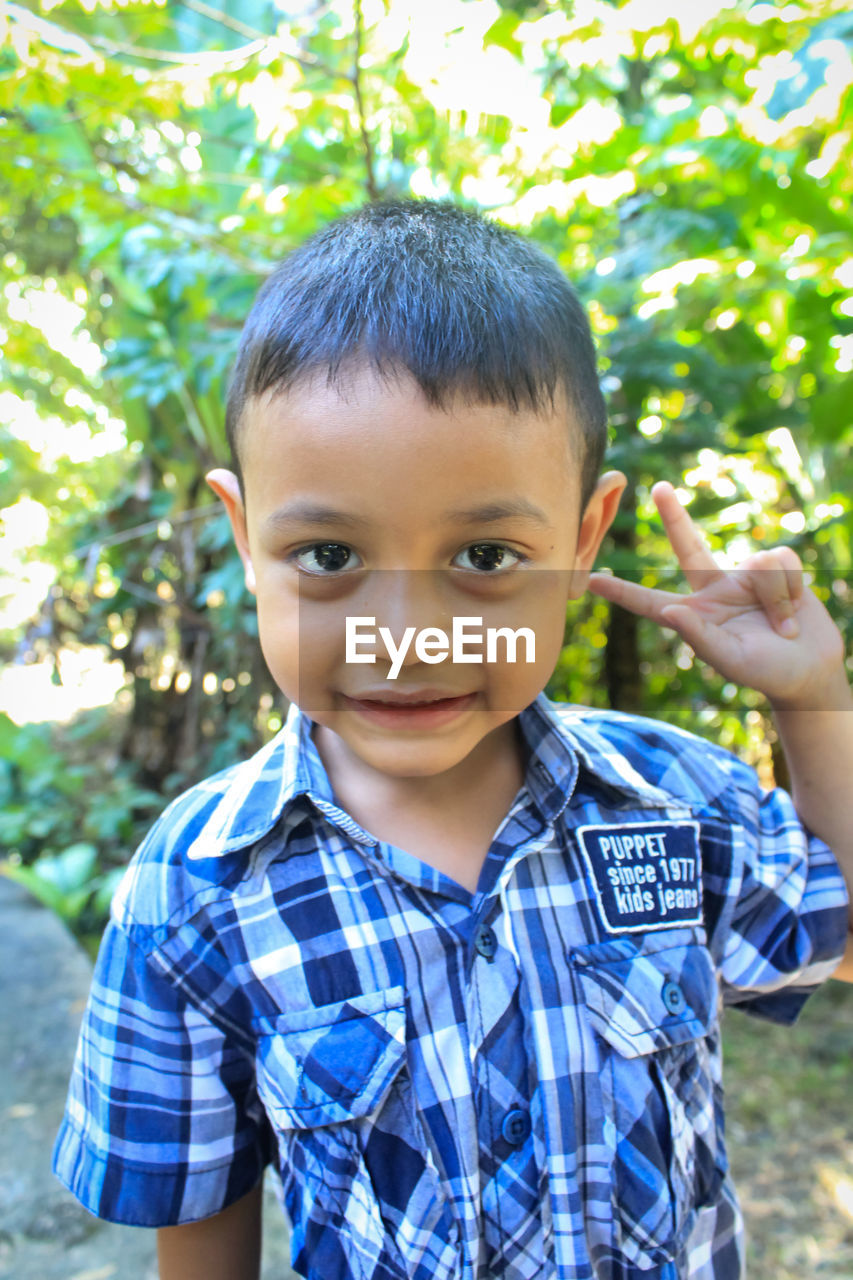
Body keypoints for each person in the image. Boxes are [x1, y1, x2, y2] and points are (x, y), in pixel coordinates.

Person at [52, 198, 852, 1280]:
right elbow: (199, 1232)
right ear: (247, 540)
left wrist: (813, 700)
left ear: (581, 536)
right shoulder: (196, 888)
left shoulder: (671, 803)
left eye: (484, 555)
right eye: (329, 555)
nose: (408, 636)